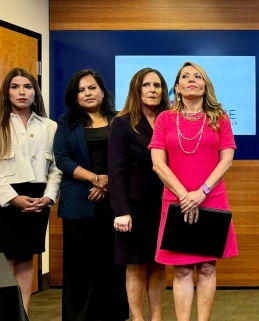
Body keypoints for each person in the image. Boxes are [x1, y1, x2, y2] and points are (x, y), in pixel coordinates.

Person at [149, 61, 237, 321]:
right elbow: (157, 163)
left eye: (197, 76)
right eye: (185, 76)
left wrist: (202, 192)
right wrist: (185, 196)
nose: (191, 80)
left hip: (212, 200)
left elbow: (227, 159)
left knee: (208, 267)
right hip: (176, 202)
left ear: (205, 85)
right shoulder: (165, 118)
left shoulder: (220, 117)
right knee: (182, 270)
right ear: (176, 87)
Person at [0, 68, 62, 313]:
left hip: (38, 197)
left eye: (27, 87)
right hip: (3, 198)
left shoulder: (50, 126)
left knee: (28, 256)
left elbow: (57, 167)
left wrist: (49, 197)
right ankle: (5, 313)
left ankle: (22, 313)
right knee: (4, 257)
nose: (22, 92)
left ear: (35, 93)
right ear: (6, 92)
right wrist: (12, 198)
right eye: (15, 86)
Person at [53, 69, 128, 321]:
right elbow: (62, 159)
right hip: (78, 202)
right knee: (79, 266)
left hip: (113, 202)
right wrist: (95, 178)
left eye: (92, 87)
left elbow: (126, 158)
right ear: (75, 97)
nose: (87, 93)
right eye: (81, 90)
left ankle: (112, 314)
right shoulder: (66, 122)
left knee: (112, 264)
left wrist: (106, 183)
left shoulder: (119, 119)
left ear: (102, 91)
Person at [108, 67, 170, 321]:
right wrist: (121, 211)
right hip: (133, 206)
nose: (152, 90)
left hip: (165, 203)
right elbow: (116, 171)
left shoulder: (170, 120)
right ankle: (137, 318)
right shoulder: (122, 123)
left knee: (158, 263)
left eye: (157, 86)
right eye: (147, 85)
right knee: (135, 265)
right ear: (136, 89)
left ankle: (155, 318)